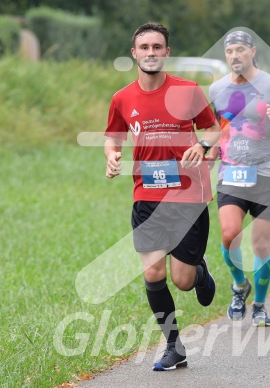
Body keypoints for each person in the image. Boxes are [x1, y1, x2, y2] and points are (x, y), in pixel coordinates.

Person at [104, 21, 220, 371]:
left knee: (182, 281)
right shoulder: (122, 98)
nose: (151, 53)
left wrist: (201, 146)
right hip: (146, 194)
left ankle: (199, 273)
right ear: (134, 53)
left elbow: (213, 129)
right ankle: (174, 346)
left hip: (188, 195)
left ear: (167, 53)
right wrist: (111, 155)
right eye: (145, 48)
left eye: (157, 47)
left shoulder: (188, 90)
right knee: (153, 273)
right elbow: (114, 136)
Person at [209, 30, 270, 326]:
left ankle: (261, 305)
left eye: (240, 50)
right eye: (230, 51)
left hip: (266, 172)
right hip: (230, 172)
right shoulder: (216, 89)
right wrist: (209, 150)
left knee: (262, 245)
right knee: (229, 236)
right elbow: (215, 127)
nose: (235, 56)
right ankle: (240, 286)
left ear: (253, 51)